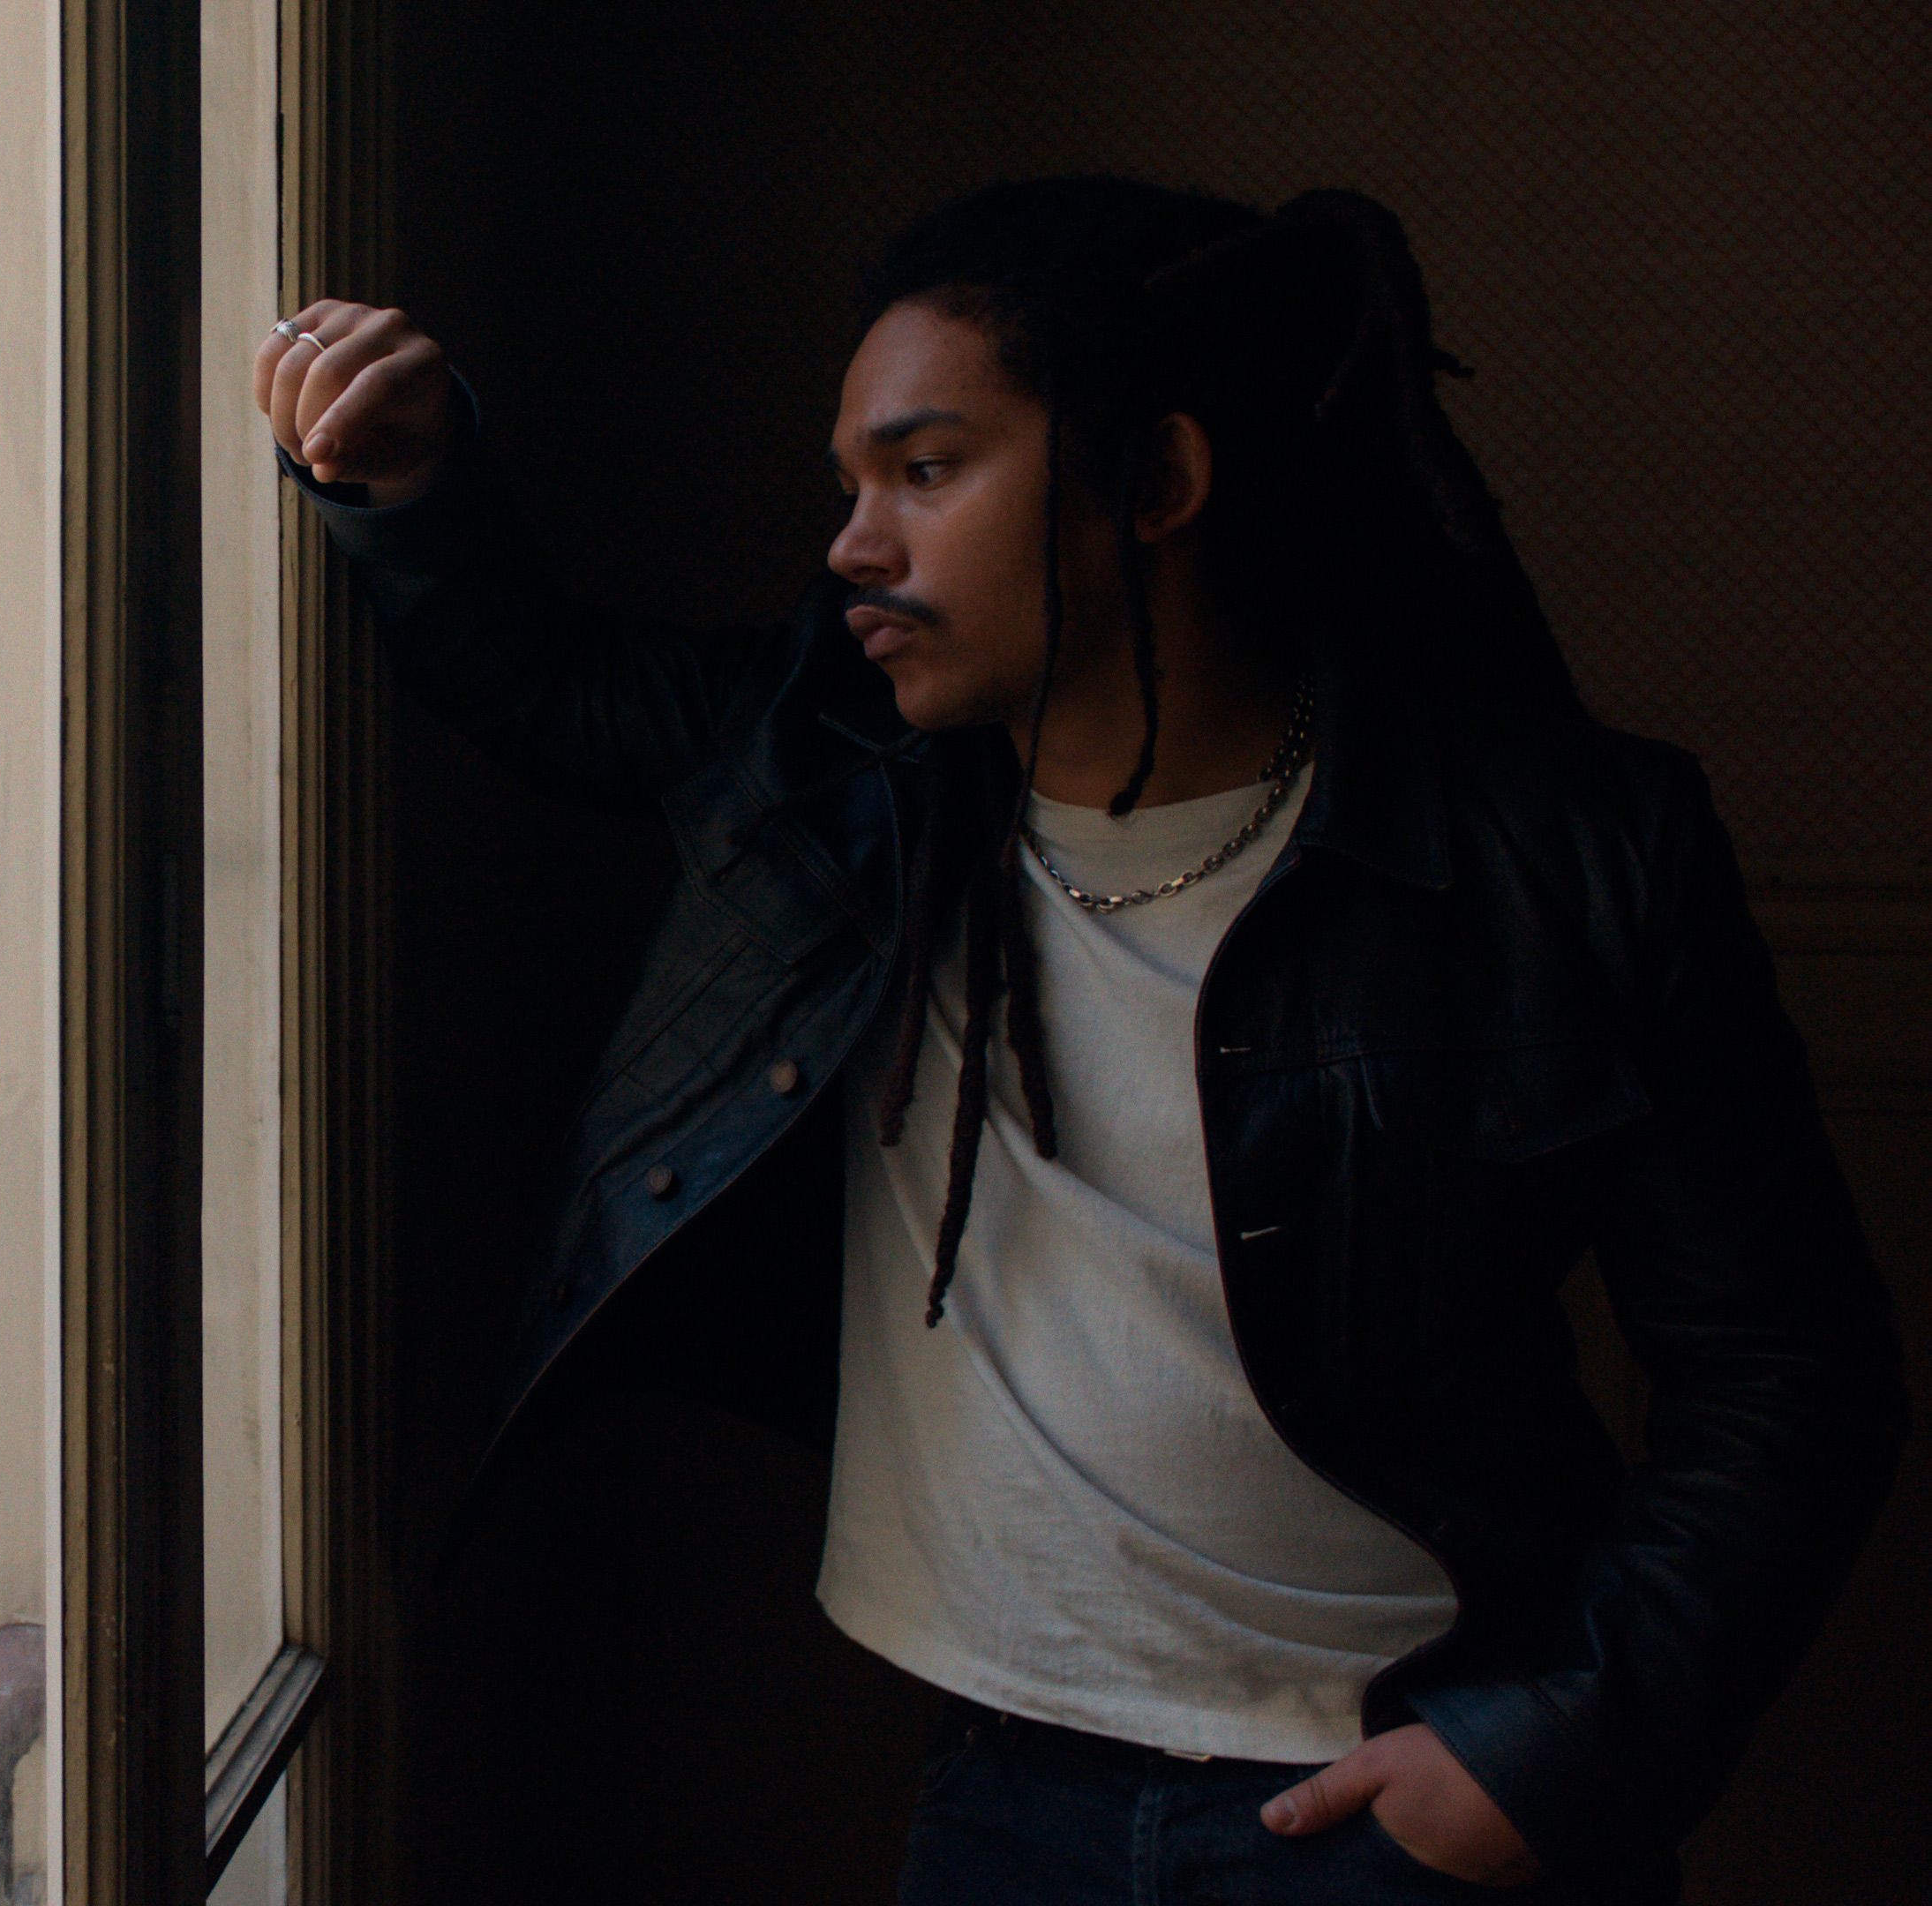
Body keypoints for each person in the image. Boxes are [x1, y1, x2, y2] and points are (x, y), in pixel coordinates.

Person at [252, 177, 1906, 1902]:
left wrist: (1558, 1749)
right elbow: (554, 686)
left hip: (1409, 1801)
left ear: (1160, 481)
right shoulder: (840, 781)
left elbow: (1791, 1372)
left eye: (927, 470)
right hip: (1001, 1793)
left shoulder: (1566, 853)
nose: (856, 546)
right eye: (851, 486)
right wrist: (408, 474)